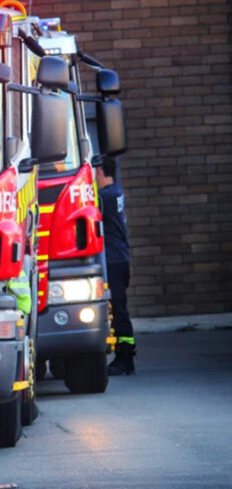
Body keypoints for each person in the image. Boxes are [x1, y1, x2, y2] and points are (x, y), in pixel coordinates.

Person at [96, 156, 135, 375]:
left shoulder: (104, 198)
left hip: (113, 259)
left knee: (119, 311)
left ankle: (125, 358)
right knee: (120, 309)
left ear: (100, 171)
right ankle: (125, 355)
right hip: (121, 258)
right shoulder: (116, 192)